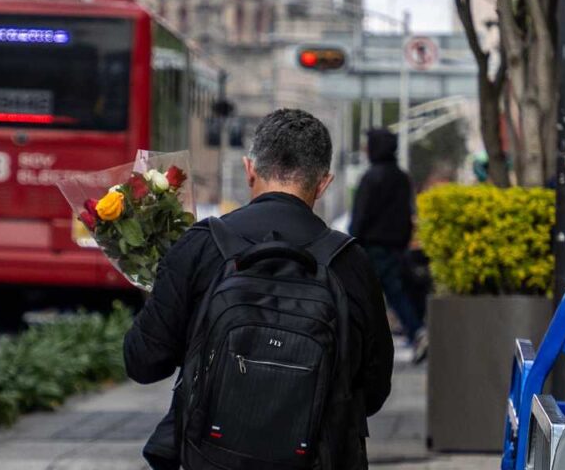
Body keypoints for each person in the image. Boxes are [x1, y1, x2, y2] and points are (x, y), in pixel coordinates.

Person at [124, 109, 394, 470]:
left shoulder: (203, 246)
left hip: (211, 458)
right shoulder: (350, 263)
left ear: (249, 168)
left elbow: (143, 362)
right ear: (323, 183)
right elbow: (373, 391)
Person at [350, 129, 427, 362]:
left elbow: (360, 214)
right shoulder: (402, 178)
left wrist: (353, 240)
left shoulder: (371, 177)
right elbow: (408, 212)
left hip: (373, 247)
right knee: (393, 293)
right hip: (397, 247)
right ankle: (415, 332)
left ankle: (416, 332)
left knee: (366, 295)